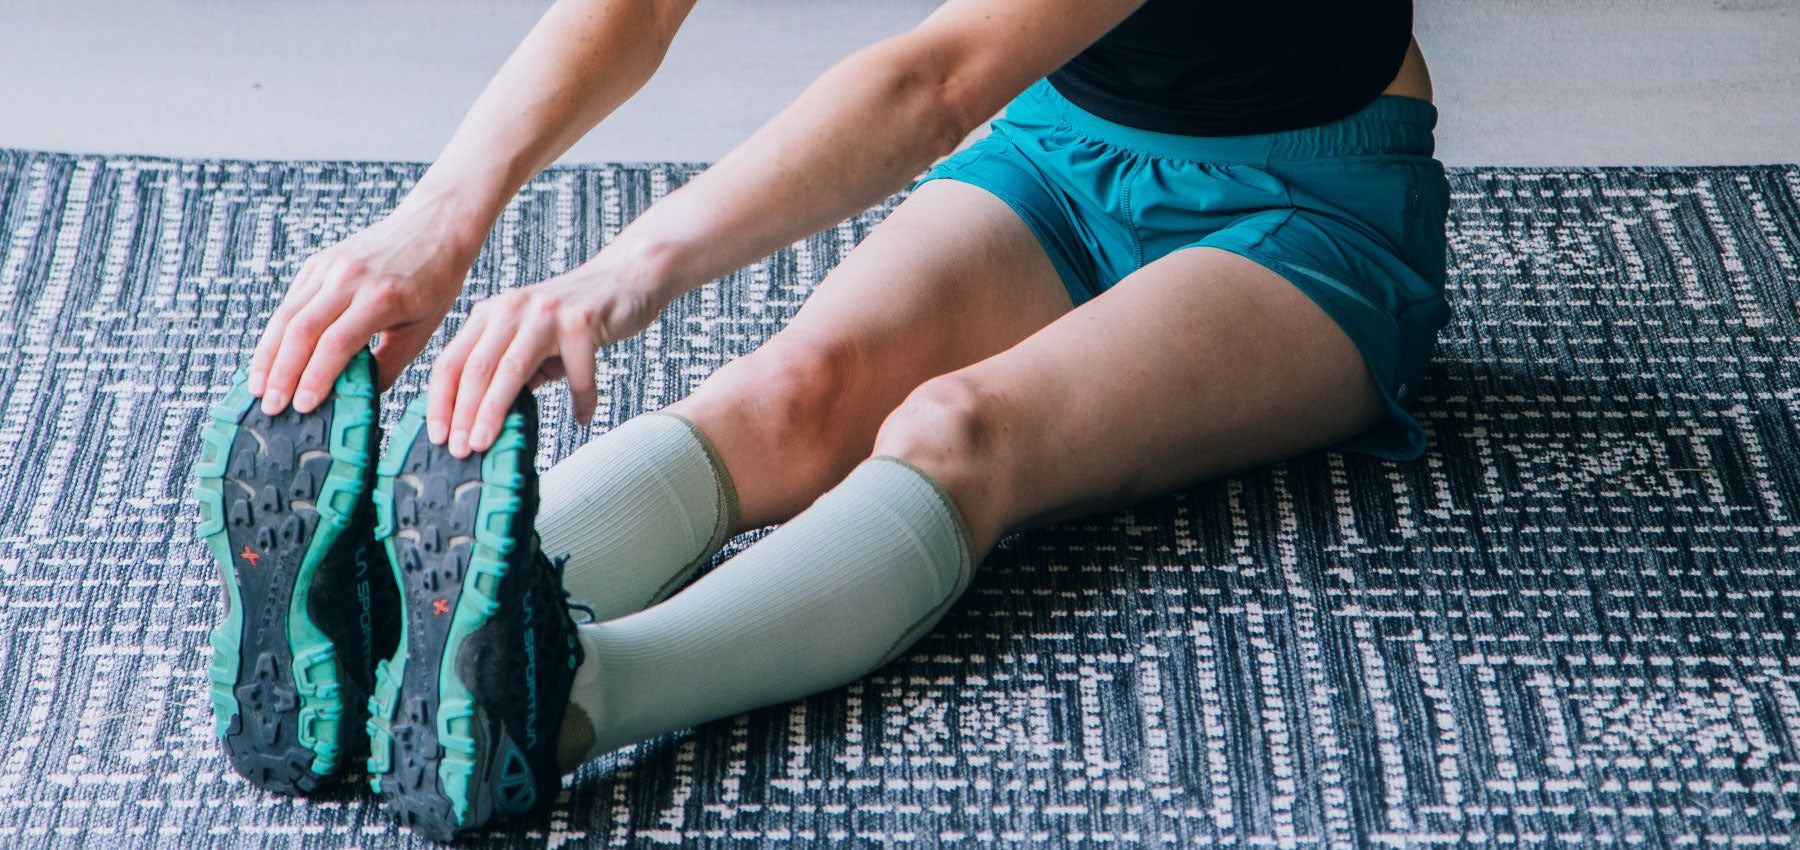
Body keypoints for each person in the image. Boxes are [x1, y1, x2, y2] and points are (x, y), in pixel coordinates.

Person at [197, 0, 1449, 840]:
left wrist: (617, 276)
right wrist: (444, 213)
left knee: (960, 433)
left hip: (1311, 209)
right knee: (790, 391)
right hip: (1067, 148)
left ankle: (566, 694)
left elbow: (937, 80)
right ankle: (392, 634)